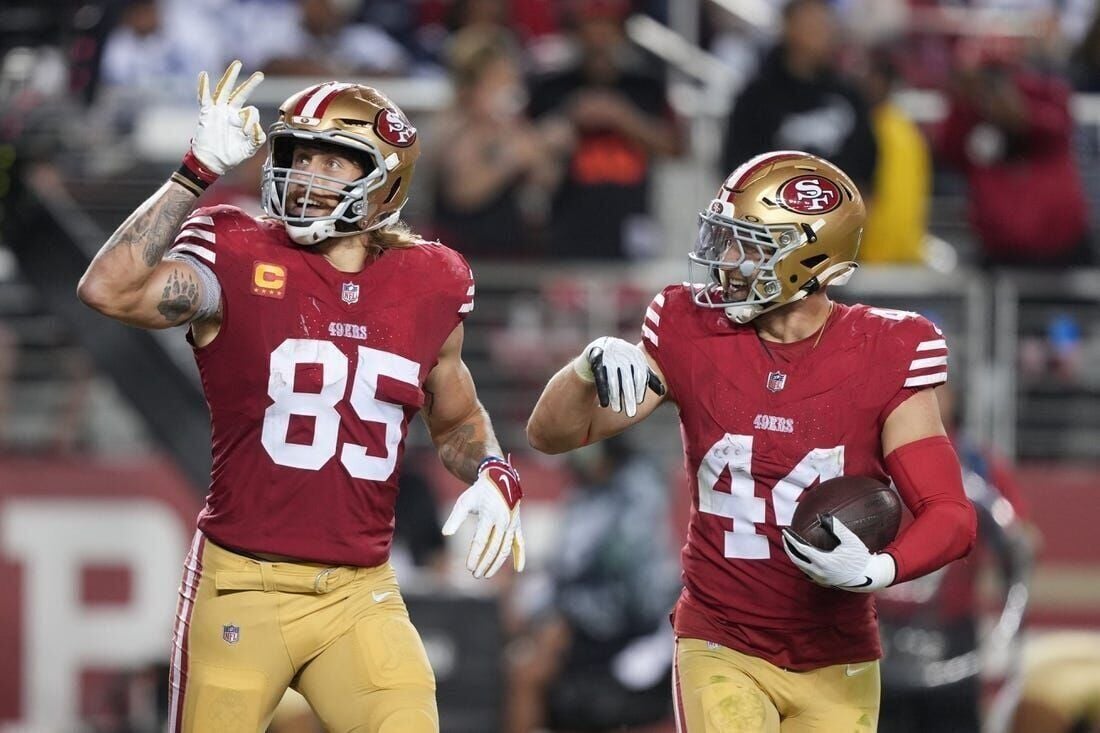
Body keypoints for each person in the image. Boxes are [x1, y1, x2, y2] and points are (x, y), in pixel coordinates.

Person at [77, 61, 526, 733]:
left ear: (386, 180)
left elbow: (456, 415)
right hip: (241, 585)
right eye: (298, 154)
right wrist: (192, 172)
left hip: (359, 591)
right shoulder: (233, 247)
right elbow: (108, 290)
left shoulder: (431, 279)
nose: (308, 175)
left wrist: (494, 468)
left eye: (335, 160)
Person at [527, 150, 978, 731]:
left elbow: (950, 515)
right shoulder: (691, 327)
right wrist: (584, 370)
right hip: (722, 642)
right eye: (726, 239)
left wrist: (881, 569)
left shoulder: (888, 349)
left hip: (838, 657)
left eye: (749, 243)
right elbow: (553, 434)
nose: (726, 261)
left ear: (808, 255)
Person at [505, 436, 679, 733]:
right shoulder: (583, 494)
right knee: (520, 646)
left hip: (630, 620)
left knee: (530, 670)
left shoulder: (638, 490)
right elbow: (561, 565)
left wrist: (562, 613)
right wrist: (537, 607)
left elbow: (619, 569)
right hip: (582, 616)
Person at [722, 0, 877, 194]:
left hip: (838, 214)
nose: (821, 33)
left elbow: (867, 162)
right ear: (788, 27)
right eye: (811, 25)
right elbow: (737, 165)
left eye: (824, 25)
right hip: (773, 214)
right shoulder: (756, 97)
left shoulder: (848, 95)